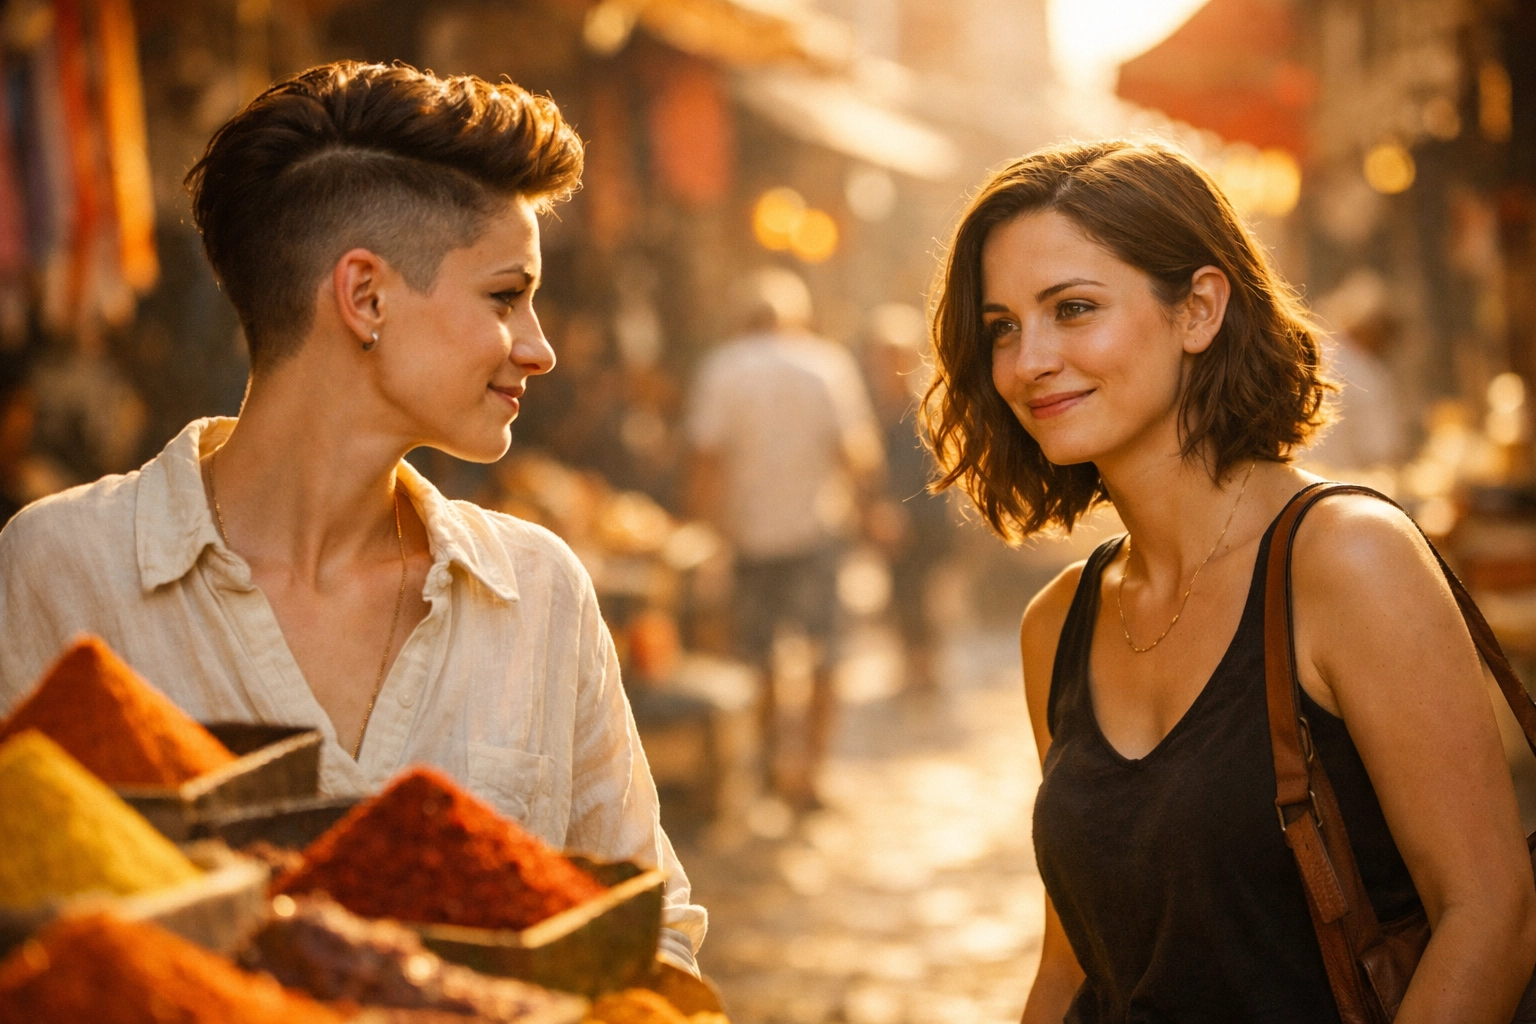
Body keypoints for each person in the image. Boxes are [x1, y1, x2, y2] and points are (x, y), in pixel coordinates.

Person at [0, 62, 704, 970]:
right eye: (505, 296)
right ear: (365, 296)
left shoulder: (538, 592)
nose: (541, 348)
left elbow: (656, 940)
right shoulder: (64, 569)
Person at [921, 140, 1536, 1022]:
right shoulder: (1056, 626)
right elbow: (1074, 965)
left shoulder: (1348, 562)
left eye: (1074, 308)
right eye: (1003, 327)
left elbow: (1492, 917)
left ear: (1200, 309)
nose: (1028, 362)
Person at [685, 267, 883, 807]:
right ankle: (812, 772)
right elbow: (857, 454)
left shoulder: (722, 367)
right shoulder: (826, 364)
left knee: (760, 655)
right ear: (796, 317)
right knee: (826, 655)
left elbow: (706, 459)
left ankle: (775, 765)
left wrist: (700, 532)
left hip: (749, 536)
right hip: (817, 532)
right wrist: (871, 514)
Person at [861, 302, 952, 691]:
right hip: (894, 526)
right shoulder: (875, 408)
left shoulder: (925, 408)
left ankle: (924, 671)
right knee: (901, 598)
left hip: (926, 523)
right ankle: (913, 670)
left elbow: (934, 473)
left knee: (922, 601)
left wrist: (903, 513)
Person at [1304, 267, 1408, 472]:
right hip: (1349, 485)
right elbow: (1380, 450)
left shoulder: (1312, 355)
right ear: (1371, 329)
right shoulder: (1367, 377)